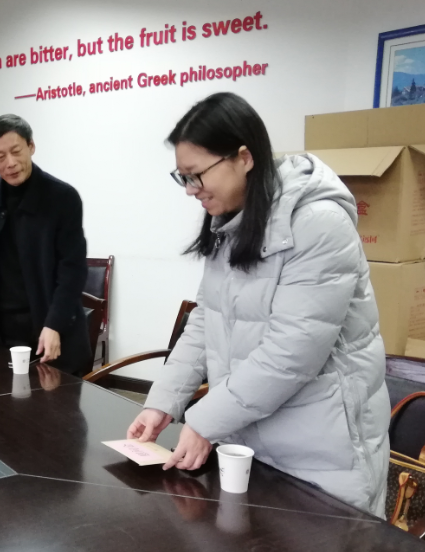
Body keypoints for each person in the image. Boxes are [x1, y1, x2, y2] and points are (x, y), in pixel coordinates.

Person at [128, 92, 389, 517]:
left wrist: (203, 422)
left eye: (197, 176)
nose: (191, 191)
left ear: (244, 158)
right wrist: (163, 402)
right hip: (247, 434)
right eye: (183, 178)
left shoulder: (318, 224)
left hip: (320, 450)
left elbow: (291, 354)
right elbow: (206, 319)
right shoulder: (231, 221)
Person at [0, 114, 92, 375]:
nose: (11, 163)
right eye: (0, 156)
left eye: (16, 151)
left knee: (55, 400)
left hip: (50, 329)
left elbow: (72, 270)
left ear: (31, 146)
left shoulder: (62, 198)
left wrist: (55, 324)